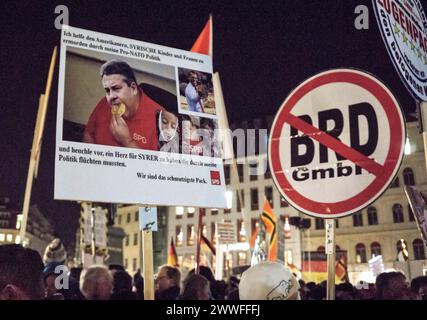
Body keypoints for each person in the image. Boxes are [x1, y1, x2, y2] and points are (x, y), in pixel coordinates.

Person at [83, 59, 164, 150]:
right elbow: (89, 133)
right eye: (107, 90)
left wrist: (127, 142)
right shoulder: (106, 103)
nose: (111, 97)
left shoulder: (160, 121)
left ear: (133, 88)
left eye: (116, 88)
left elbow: (155, 163)